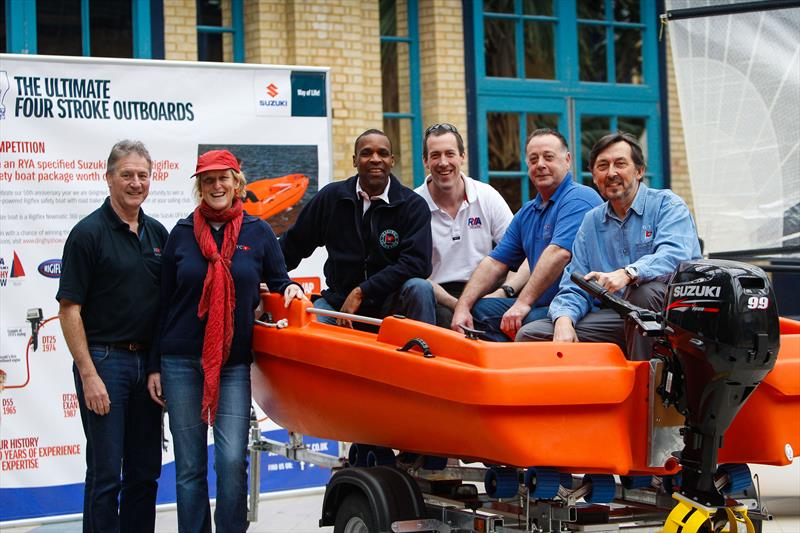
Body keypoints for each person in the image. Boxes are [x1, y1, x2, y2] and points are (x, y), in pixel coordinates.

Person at [146, 150, 304, 533]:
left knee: (232, 460)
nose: (217, 186)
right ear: (200, 186)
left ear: (237, 183)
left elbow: (280, 278)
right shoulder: (181, 235)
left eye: (224, 178)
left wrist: (293, 288)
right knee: (190, 466)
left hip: (233, 362)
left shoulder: (258, 232)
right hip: (180, 361)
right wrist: (154, 365)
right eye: (208, 179)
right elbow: (162, 304)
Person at [57, 140, 167, 533]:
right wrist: (88, 374)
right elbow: (69, 309)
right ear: (108, 178)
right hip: (105, 364)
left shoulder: (158, 234)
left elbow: (165, 311)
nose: (135, 183)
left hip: (147, 369)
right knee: (106, 475)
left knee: (145, 473)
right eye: (127, 175)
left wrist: (156, 367)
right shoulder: (87, 234)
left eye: (142, 175)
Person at [516, 132, 703, 359]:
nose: (611, 173)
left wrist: (629, 273)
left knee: (643, 293)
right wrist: (564, 319)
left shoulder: (667, 204)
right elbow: (576, 282)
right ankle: (589, 394)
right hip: (616, 318)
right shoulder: (591, 221)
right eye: (602, 166)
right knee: (532, 334)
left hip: (671, 319)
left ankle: (647, 390)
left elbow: (675, 256)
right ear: (594, 177)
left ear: (639, 171)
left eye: (620, 164)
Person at [450, 129, 602, 341]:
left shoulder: (579, 198)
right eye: (533, 159)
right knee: (479, 310)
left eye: (548, 157)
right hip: (541, 306)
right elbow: (494, 262)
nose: (540, 164)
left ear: (567, 160)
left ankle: (514, 368)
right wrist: (462, 307)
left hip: (579, 308)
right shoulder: (529, 211)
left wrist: (522, 303)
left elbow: (559, 253)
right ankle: (504, 368)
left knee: (527, 322)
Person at [280, 129, 435, 327]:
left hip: (391, 308)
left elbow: (417, 264)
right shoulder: (331, 198)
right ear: (355, 160)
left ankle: (421, 355)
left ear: (392, 160)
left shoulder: (412, 205)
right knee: (312, 326)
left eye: (383, 153)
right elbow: (293, 244)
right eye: (367, 153)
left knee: (420, 288)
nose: (375, 159)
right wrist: (269, 277)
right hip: (337, 305)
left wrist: (362, 291)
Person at [414, 123, 527, 328]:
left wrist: (504, 292)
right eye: (435, 155)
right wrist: (460, 305)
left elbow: (523, 253)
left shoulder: (487, 195)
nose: (443, 162)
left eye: (450, 154)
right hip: (439, 298)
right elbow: (413, 272)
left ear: (462, 157)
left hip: (487, 293)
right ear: (425, 161)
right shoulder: (412, 205)